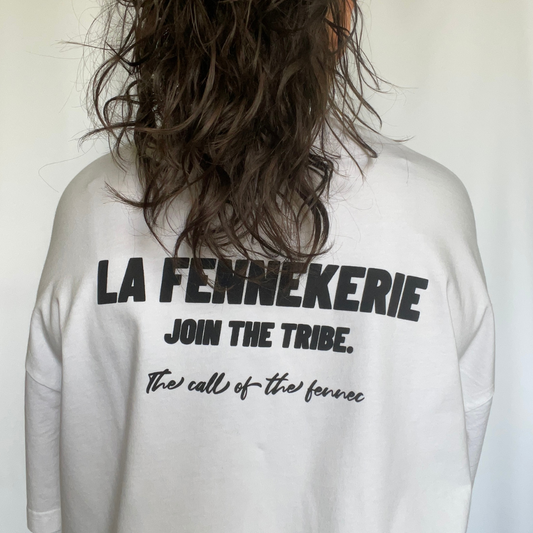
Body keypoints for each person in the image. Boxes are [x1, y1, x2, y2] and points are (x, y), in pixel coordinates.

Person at [24, 1, 495, 532]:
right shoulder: (429, 208)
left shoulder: (93, 202)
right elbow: (450, 461)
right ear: (338, 18)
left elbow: (50, 495)